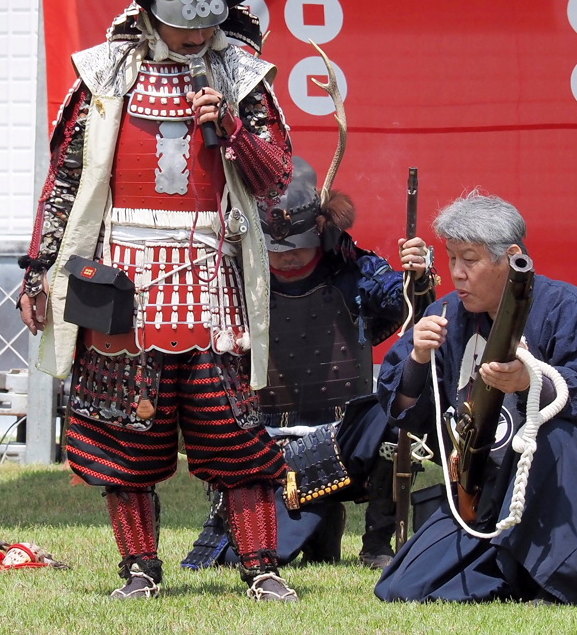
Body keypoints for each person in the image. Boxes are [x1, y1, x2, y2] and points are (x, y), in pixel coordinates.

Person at [17, 0, 300, 600]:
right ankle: (140, 568)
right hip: (122, 274)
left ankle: (261, 567)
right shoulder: (103, 74)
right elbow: (67, 180)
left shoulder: (243, 77)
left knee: (234, 430)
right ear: (151, 12)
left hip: (213, 277)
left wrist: (233, 130)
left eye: (204, 27)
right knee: (121, 434)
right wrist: (39, 269)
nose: (195, 39)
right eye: (182, 27)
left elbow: (278, 182)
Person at [181, 156, 436, 571]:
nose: (287, 259)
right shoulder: (236, 275)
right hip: (264, 438)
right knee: (233, 556)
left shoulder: (353, 269)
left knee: (393, 415)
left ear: (321, 231)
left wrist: (418, 275)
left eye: (297, 248)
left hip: (344, 434)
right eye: (276, 251)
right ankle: (308, 521)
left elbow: (409, 307)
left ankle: (376, 542)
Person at [374, 191, 577, 605]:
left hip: (551, 481)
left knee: (551, 430)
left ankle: (548, 575)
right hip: (476, 487)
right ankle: (513, 577)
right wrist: (417, 357)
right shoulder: (446, 312)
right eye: (452, 258)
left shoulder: (571, 308)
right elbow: (404, 412)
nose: (457, 273)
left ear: (510, 257)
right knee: (400, 587)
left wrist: (530, 380)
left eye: (470, 260)